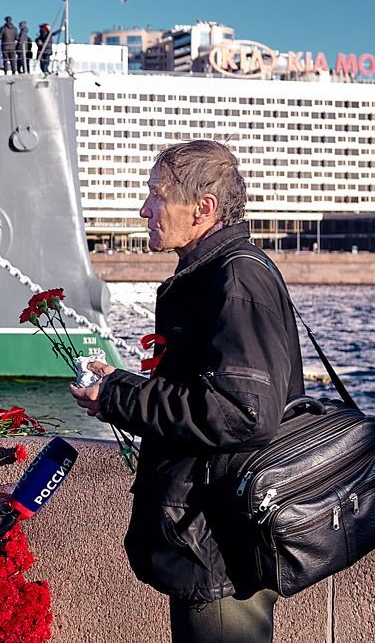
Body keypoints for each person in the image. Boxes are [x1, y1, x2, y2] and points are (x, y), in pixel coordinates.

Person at [70, 139, 304, 643]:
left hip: (219, 546)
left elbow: (242, 412)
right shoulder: (211, 274)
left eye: (157, 195)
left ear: (203, 209)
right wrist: (117, 392)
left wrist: (116, 395)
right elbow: (207, 396)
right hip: (206, 534)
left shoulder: (234, 278)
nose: (144, 208)